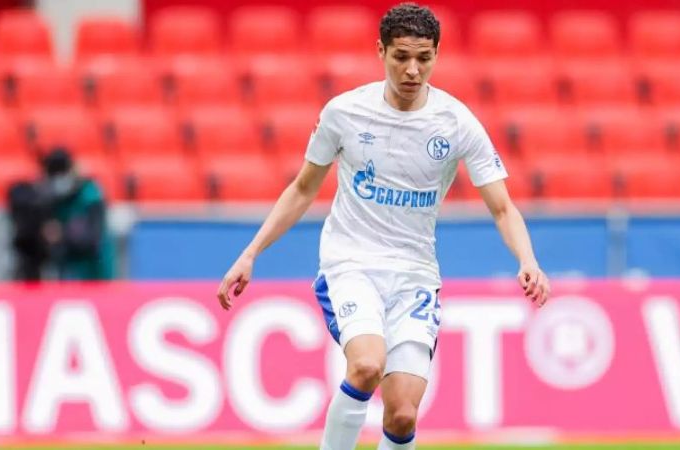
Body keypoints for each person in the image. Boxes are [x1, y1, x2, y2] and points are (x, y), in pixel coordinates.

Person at [216, 3, 551, 449]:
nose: (413, 70)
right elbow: (302, 189)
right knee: (367, 366)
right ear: (381, 52)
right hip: (351, 263)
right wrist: (250, 253)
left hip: (414, 274)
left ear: (437, 55)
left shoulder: (457, 123)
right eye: (401, 57)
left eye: (424, 58)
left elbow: (503, 208)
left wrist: (528, 259)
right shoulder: (345, 113)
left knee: (403, 414)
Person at [38, 148, 115, 281]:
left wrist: (62, 235)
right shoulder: (52, 198)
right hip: (68, 271)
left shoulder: (90, 192)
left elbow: (93, 238)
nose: (58, 179)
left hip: (94, 270)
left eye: (61, 172)